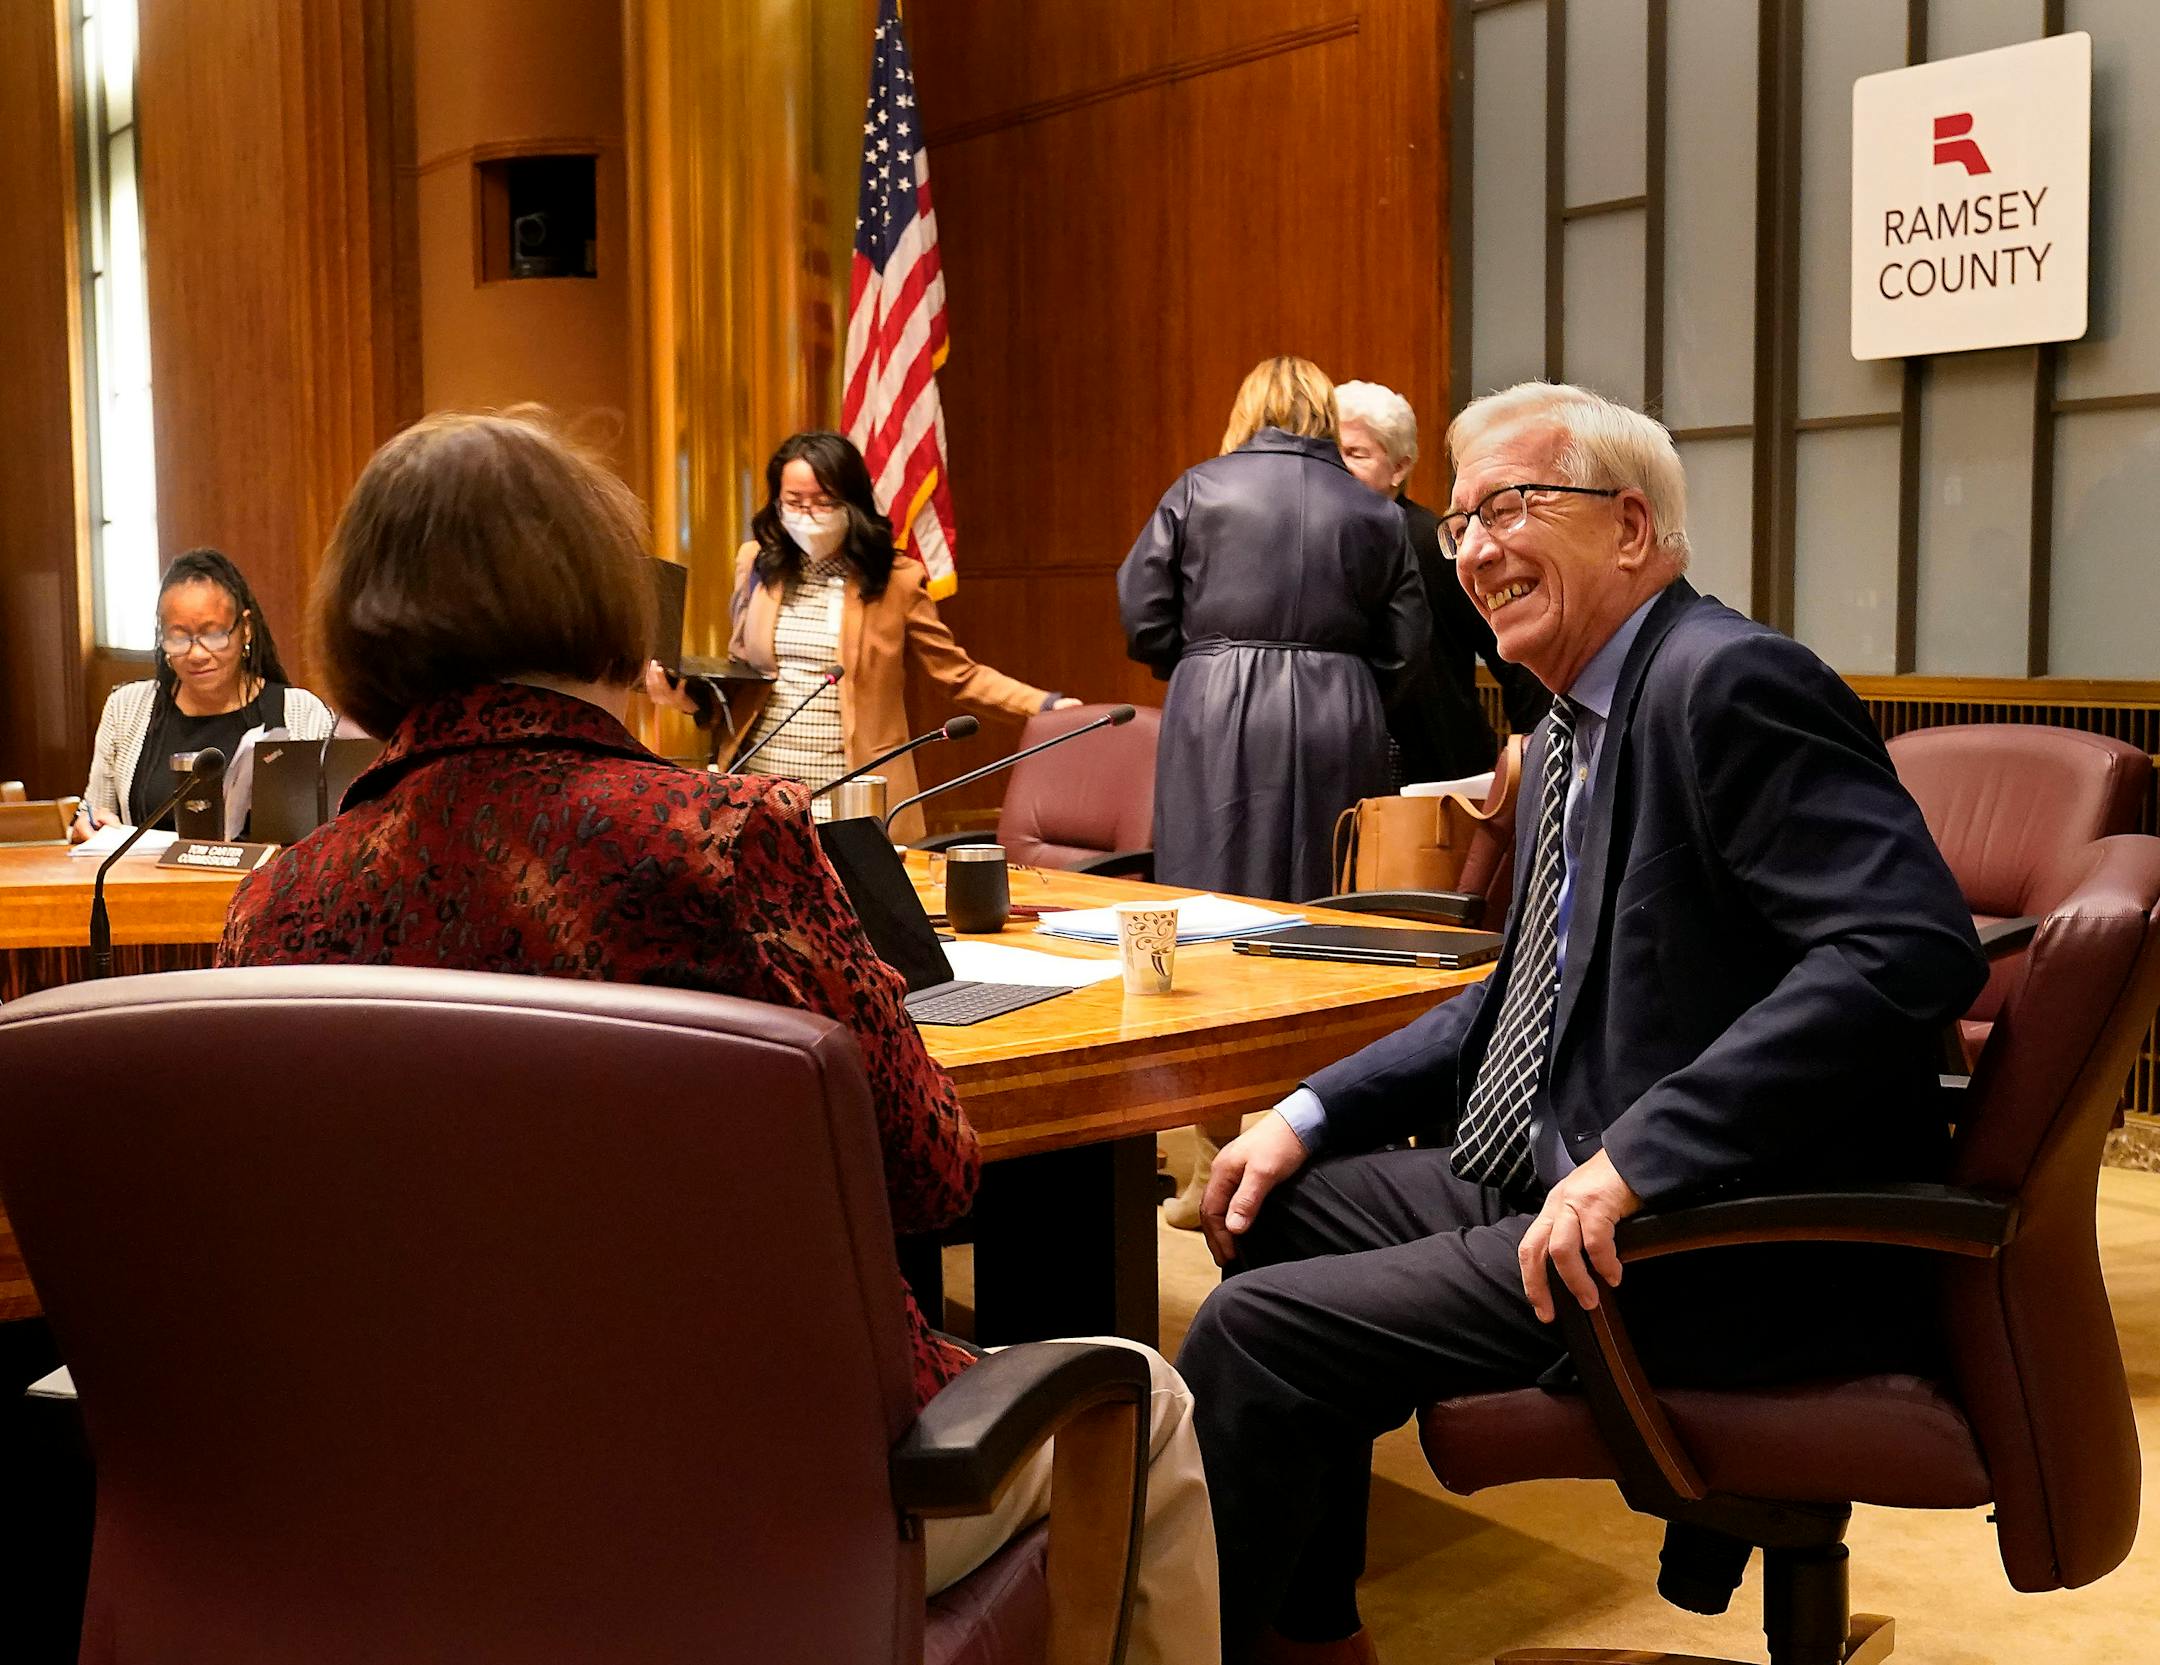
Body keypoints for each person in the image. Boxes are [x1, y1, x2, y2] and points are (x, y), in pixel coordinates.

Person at [216, 410, 1214, 1662]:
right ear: (598, 587)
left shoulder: (280, 903)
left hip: (412, 1510)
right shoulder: (723, 841)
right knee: (1152, 1399)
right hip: (750, 1486)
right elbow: (933, 1174)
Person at [1174, 382, 1987, 1664]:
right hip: (1573, 1170)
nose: (1478, 551)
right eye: (1456, 526)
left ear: (1629, 528)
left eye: (1511, 506)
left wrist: (1639, 1157)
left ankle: (1239, 1644)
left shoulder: (1729, 680)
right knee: (1269, 1200)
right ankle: (1313, 1632)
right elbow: (1523, 995)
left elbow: (1906, 948)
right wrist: (1305, 1110)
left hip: (1712, 1238)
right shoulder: (1570, 723)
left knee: (1249, 1335)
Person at [645, 431, 1076, 842]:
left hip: (853, 790)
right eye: (793, 501)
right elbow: (741, 679)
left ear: (852, 504)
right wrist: (684, 697)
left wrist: (1045, 706)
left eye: (823, 501)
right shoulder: (757, 562)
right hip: (762, 783)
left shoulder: (897, 580)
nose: (808, 514)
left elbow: (957, 675)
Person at [1117, 356, 1429, 904]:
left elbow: (1143, 611)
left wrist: (1198, 664)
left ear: (1247, 411)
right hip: (1340, 707)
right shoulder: (1378, 510)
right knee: (1332, 886)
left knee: (1208, 877)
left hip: (1215, 698)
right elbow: (1407, 641)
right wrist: (1352, 686)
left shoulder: (1197, 488)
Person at [1335, 379, 1549, 780]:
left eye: (1355, 453)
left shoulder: (1434, 543)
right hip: (1346, 771)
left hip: (1441, 777)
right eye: (1330, 453)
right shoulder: (1316, 544)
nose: (1338, 467)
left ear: (1399, 467)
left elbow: (1518, 659)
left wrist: (1532, 763)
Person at [72, 548, 333, 840]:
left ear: (245, 629)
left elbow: (330, 830)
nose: (196, 653)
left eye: (213, 634)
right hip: (151, 883)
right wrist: (88, 822)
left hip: (263, 884)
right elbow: (93, 812)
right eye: (179, 637)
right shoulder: (125, 709)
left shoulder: (301, 713)